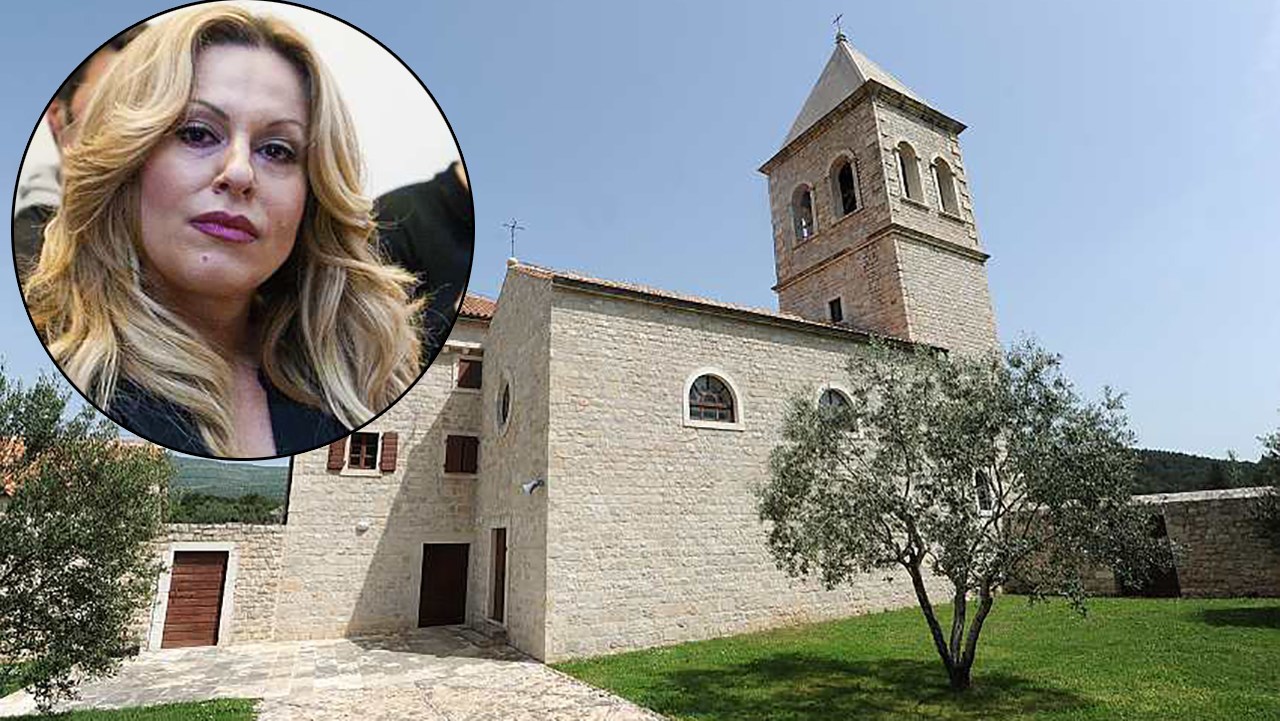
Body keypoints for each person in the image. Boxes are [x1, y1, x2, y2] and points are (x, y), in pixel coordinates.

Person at [22, 6, 423, 459]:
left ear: (313, 196)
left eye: (277, 150)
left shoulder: (359, 378)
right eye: (196, 134)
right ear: (127, 163)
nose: (239, 172)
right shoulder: (62, 375)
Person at [14, 24, 149, 283]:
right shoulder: (29, 258)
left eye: (150, 99)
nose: (134, 120)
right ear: (58, 117)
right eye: (108, 98)